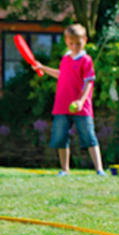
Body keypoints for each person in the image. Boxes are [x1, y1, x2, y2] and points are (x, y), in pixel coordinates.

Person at [33, 24, 106, 176]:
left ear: (85, 41)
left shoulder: (86, 60)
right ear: (66, 41)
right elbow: (62, 75)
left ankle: (99, 170)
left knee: (89, 136)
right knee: (61, 137)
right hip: (61, 105)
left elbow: (89, 82)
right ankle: (65, 170)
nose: (75, 46)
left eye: (78, 43)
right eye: (72, 43)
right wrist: (43, 68)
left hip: (82, 107)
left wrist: (81, 101)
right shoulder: (66, 58)